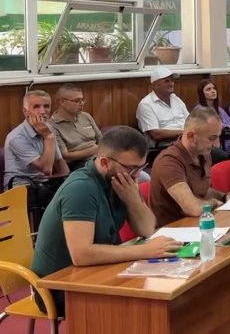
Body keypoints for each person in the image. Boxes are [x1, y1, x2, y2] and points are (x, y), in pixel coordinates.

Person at [31, 127, 181, 317]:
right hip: (60, 288)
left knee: (171, 290)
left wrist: (134, 200)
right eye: (131, 168)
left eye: (140, 168)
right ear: (104, 162)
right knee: (150, 306)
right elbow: (81, 255)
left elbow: (147, 229)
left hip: (98, 270)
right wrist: (145, 250)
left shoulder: (120, 181)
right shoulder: (80, 189)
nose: (137, 175)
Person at [151, 108, 230, 227]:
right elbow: (193, 208)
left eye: (218, 137)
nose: (217, 144)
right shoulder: (169, 162)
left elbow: (203, 191)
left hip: (198, 224)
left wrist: (226, 196)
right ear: (191, 136)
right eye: (212, 138)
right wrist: (214, 203)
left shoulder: (203, 153)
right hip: (174, 230)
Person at [5, 90, 70, 219]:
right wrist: (49, 138)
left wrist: (69, 181)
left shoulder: (48, 129)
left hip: (44, 183)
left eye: (46, 106)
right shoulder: (17, 137)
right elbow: (46, 169)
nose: (43, 111)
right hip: (21, 186)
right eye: (36, 107)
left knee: (78, 191)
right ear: (25, 111)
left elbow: (61, 166)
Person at [50, 83, 102, 171]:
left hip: (100, 157)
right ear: (62, 102)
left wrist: (100, 149)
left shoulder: (85, 116)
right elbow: (66, 157)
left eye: (82, 100)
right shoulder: (52, 125)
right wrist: (96, 149)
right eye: (77, 101)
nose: (81, 103)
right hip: (80, 164)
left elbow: (101, 140)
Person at [136, 67, 190, 148]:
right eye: (166, 81)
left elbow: (190, 121)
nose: (171, 84)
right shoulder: (146, 104)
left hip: (187, 140)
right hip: (166, 147)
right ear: (154, 85)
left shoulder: (176, 99)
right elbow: (156, 134)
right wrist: (185, 132)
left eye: (172, 81)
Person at [196, 79, 230, 153]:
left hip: (225, 138)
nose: (213, 91)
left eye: (214, 88)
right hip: (210, 143)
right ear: (202, 93)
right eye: (208, 89)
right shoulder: (199, 110)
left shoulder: (219, 109)